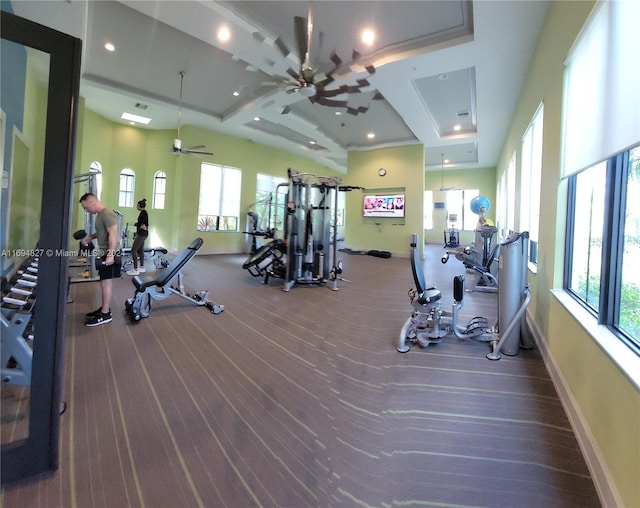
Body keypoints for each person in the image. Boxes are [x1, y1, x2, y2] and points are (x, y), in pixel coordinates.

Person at [79, 193, 121, 326]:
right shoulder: (101, 214)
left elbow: (113, 234)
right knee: (103, 282)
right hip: (105, 251)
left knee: (105, 283)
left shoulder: (107, 214)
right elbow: (103, 232)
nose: (86, 210)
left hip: (109, 252)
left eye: (86, 208)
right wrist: (90, 237)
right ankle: (104, 309)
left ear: (92, 203)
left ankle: (105, 314)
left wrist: (110, 254)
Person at [126, 198, 149, 276]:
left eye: (137, 205)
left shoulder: (144, 213)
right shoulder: (143, 212)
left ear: (139, 206)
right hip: (143, 234)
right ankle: (142, 267)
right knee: (140, 250)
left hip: (142, 234)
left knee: (133, 251)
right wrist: (137, 224)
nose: (136, 206)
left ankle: (135, 269)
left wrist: (143, 226)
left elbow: (145, 224)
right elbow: (141, 222)